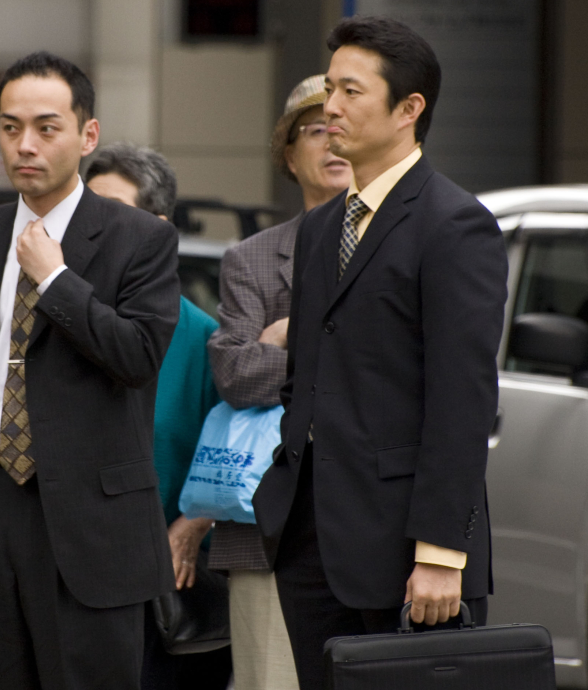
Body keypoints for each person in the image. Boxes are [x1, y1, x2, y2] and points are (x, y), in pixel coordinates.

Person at [0, 53, 181, 689]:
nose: (24, 145)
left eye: (46, 128)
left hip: (92, 519)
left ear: (87, 136)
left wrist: (55, 279)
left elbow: (138, 357)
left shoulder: (139, 238)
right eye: (10, 128)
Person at [251, 16, 508, 690]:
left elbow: (463, 402)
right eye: (329, 88)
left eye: (351, 91)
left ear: (408, 110)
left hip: (407, 552)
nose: (330, 107)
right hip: (308, 538)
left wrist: (441, 552)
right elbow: (303, 379)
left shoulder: (455, 225)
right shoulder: (319, 228)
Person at [206, 74, 352, 690]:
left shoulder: (404, 245)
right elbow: (236, 373)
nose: (332, 141)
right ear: (289, 156)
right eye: (314, 131)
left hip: (369, 514)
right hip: (268, 517)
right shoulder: (253, 258)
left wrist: (292, 338)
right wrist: (334, 357)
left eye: (341, 126)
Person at [86, 143, 232, 690]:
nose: (93, 231)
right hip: (70, 580)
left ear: (160, 230)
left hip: (168, 587)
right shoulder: (54, 317)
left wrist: (193, 525)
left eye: (112, 214)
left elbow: (235, 456)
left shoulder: (202, 338)